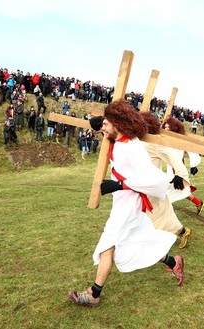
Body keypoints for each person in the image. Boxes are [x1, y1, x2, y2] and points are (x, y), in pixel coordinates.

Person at [68, 100, 184, 308]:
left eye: (106, 123)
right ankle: (173, 262)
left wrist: (119, 184)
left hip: (128, 206)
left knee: (108, 245)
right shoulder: (118, 141)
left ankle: (94, 294)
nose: (103, 127)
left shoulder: (132, 148)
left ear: (118, 124)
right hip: (123, 204)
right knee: (138, 240)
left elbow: (153, 179)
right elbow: (109, 139)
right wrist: (96, 125)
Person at [139, 111, 192, 249]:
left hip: (151, 185)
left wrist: (180, 174)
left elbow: (174, 157)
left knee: (152, 215)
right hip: (140, 184)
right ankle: (182, 231)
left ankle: (153, 245)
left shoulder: (155, 141)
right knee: (162, 212)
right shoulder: (139, 139)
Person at [162, 116, 204, 215]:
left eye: (169, 127)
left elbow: (191, 149)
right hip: (170, 168)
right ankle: (198, 203)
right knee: (178, 189)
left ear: (174, 127)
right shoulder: (166, 139)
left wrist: (193, 165)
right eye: (165, 127)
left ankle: (165, 214)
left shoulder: (179, 139)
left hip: (178, 169)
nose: (166, 129)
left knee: (169, 190)